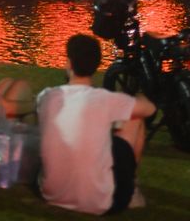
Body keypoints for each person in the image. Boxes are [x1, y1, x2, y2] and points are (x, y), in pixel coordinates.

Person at [37, 33, 155, 215]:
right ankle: (131, 186)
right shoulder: (104, 99)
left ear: (69, 63)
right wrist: (136, 99)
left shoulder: (47, 96)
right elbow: (149, 109)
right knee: (135, 118)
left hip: (52, 195)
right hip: (99, 202)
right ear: (97, 66)